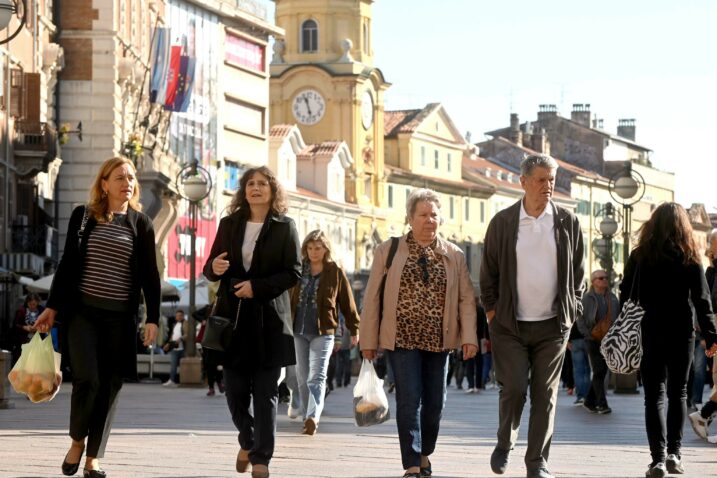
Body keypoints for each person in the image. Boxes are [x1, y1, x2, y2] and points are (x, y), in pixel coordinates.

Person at [34, 156, 160, 478]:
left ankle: (93, 458)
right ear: (104, 183)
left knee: (110, 385)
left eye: (131, 178)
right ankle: (77, 440)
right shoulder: (83, 216)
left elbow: (150, 275)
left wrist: (153, 319)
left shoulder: (141, 223)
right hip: (84, 314)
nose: (127, 183)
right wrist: (52, 306)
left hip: (120, 318)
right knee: (88, 378)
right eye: (119, 177)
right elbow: (67, 265)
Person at [360, 188, 478, 478]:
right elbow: (372, 297)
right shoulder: (387, 250)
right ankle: (412, 463)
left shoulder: (455, 255)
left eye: (434, 215)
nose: (429, 220)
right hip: (401, 339)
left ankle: (424, 452)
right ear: (410, 218)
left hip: (441, 340)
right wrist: (368, 340)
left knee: (436, 403)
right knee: (409, 399)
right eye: (423, 215)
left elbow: (466, 298)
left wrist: (470, 337)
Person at [480, 154, 585, 478]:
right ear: (523, 182)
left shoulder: (567, 222)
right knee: (513, 387)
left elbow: (578, 273)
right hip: (509, 324)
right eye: (541, 180)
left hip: (553, 326)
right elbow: (489, 274)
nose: (548, 186)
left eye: (552, 180)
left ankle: (537, 462)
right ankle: (504, 442)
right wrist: (493, 312)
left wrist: (572, 308)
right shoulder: (503, 222)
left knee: (546, 393)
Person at [203, 165, 301, 478]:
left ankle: (261, 459)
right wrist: (215, 268)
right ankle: (247, 439)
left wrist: (257, 287)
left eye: (261, 184)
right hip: (233, 321)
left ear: (272, 190)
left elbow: (293, 272)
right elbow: (210, 268)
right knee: (233, 392)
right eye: (250, 184)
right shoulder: (229, 224)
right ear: (243, 191)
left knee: (266, 394)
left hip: (270, 321)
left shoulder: (285, 226)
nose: (255, 188)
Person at [619, 203, 717, 477]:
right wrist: (711, 336)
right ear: (683, 226)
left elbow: (625, 293)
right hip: (681, 331)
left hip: (648, 330)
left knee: (654, 397)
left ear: (653, 224)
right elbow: (702, 299)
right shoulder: (690, 256)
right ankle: (675, 453)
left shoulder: (639, 256)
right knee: (679, 394)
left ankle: (657, 460)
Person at [289, 229, 360, 435]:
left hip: (323, 330)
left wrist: (354, 328)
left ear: (325, 249)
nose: (313, 252)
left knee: (317, 376)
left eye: (318, 248)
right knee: (302, 377)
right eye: (310, 248)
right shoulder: (298, 270)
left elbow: (347, 302)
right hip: (298, 329)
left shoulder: (334, 271)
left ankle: (313, 416)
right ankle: (306, 415)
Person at [576, 270, 618, 414]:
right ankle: (602, 404)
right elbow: (580, 319)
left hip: (609, 340)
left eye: (606, 278)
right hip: (593, 339)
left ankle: (589, 401)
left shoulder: (612, 298)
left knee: (603, 370)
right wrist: (587, 334)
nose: (604, 280)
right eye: (601, 278)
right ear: (593, 281)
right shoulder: (587, 298)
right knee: (599, 369)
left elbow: (617, 318)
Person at [689, 228, 717, 439]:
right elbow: (707, 302)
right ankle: (704, 413)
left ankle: (705, 413)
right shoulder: (711, 271)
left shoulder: (711, 270)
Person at [11, 292, 45, 363]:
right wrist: (24, 327)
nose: (32, 306)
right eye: (30, 304)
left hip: (37, 340)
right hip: (23, 341)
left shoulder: (42, 311)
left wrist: (38, 328)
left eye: (34, 304)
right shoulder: (21, 311)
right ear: (27, 303)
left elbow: (47, 324)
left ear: (38, 302)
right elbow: (15, 325)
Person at [162, 310, 188, 387]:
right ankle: (171, 380)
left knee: (184, 366)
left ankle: (184, 381)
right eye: (177, 315)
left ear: (183, 316)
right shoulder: (175, 324)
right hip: (175, 348)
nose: (178, 317)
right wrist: (168, 344)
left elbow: (187, 334)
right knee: (173, 365)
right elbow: (172, 336)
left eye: (180, 315)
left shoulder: (185, 323)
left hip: (183, 348)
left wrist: (180, 339)